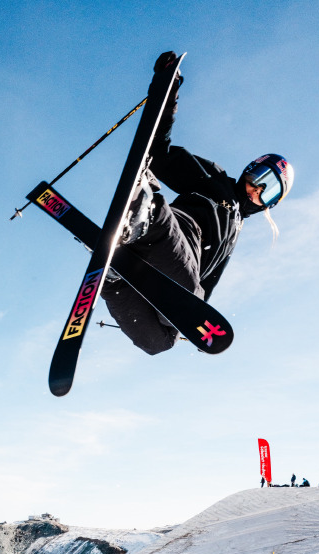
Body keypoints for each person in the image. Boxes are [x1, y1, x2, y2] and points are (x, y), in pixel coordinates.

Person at [102, 51, 294, 355]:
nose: (257, 190)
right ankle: (147, 213)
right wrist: (167, 89)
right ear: (249, 168)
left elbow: (209, 281)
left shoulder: (235, 232)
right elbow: (160, 154)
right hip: (172, 242)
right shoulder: (215, 180)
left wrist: (200, 320)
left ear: (271, 204)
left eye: (268, 190)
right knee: (186, 290)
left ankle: (113, 277)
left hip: (170, 274)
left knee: (161, 340)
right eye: (259, 177)